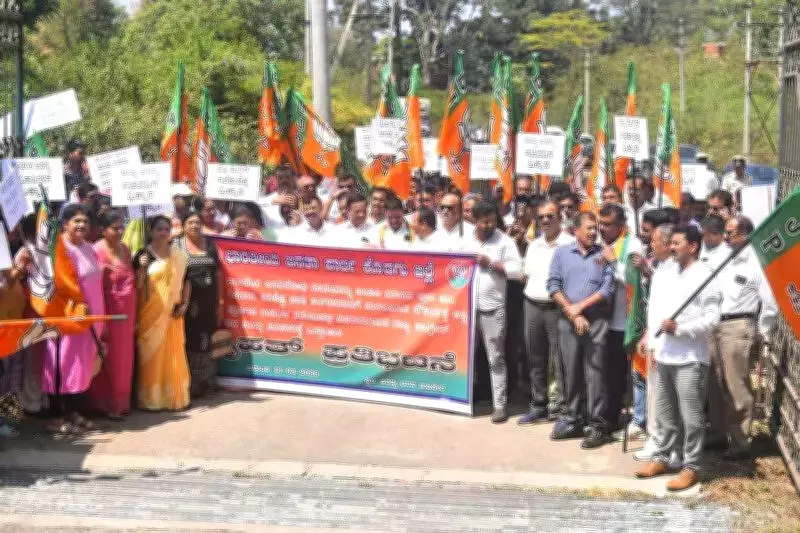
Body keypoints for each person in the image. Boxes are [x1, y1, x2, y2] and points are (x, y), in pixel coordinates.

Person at [635, 225, 721, 492]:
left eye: (676, 243)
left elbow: (712, 318)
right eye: (670, 243)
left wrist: (681, 329)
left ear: (693, 246)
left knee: (691, 416)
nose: (671, 247)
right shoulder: (667, 271)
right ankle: (662, 457)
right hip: (665, 354)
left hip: (690, 357)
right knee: (665, 413)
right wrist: (650, 337)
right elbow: (657, 307)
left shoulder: (705, 275)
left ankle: (691, 465)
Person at [706, 215, 778, 460]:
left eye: (731, 233)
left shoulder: (756, 263)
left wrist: (762, 331)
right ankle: (717, 434)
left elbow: (769, 303)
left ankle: (739, 442)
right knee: (715, 383)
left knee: (736, 384)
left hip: (739, 326)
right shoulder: (722, 258)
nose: (726, 237)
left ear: (746, 234)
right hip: (716, 323)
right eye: (726, 232)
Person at [547, 212, 616, 448]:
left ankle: (597, 424)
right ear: (575, 230)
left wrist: (580, 309)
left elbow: (607, 290)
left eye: (595, 228)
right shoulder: (562, 253)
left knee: (595, 374)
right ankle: (571, 418)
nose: (593, 232)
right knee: (569, 371)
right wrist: (572, 312)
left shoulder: (604, 254)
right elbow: (553, 285)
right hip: (568, 321)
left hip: (596, 321)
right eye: (588, 228)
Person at [43, 204, 106, 433]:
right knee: (60, 364)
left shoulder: (89, 248)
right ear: (65, 224)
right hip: (67, 319)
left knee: (81, 366)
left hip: (91, 318)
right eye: (76, 221)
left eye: (85, 222)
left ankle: (74, 412)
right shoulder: (58, 249)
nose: (81, 226)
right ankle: (55, 416)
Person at [466, 200, 522, 424]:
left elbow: (518, 271)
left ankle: (499, 405)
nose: (489, 225)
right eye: (484, 222)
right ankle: (465, 400)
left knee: (495, 358)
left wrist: (491, 264)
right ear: (475, 221)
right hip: (466, 308)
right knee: (467, 357)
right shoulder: (465, 239)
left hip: (493, 308)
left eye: (492, 221)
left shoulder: (505, 242)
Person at [518, 200, 574, 425]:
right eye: (541, 217)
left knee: (560, 360)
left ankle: (562, 409)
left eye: (550, 216)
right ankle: (538, 405)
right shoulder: (534, 245)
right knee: (535, 357)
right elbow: (527, 274)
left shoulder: (570, 244)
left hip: (556, 309)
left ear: (560, 216)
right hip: (532, 305)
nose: (545, 220)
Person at [133, 216, 191, 411]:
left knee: (172, 355)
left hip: (172, 313)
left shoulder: (179, 255)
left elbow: (186, 281)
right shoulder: (143, 254)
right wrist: (141, 268)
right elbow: (136, 287)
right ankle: (151, 399)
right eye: (159, 229)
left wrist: (184, 304)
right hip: (149, 314)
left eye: (166, 228)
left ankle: (173, 396)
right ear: (151, 231)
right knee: (151, 357)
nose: (164, 232)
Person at [598, 203, 644, 436]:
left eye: (608, 225)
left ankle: (636, 419)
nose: (602, 228)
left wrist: (614, 262)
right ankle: (608, 417)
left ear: (622, 225)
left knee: (627, 374)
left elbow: (633, 280)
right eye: (601, 223)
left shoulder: (632, 245)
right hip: (602, 321)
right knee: (609, 374)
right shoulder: (598, 242)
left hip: (625, 321)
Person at [85, 210, 136, 420]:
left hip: (127, 313)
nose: (119, 231)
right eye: (114, 228)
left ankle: (121, 402)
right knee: (106, 356)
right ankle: (103, 404)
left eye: (121, 226)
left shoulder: (126, 249)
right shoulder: (95, 250)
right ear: (103, 230)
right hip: (105, 312)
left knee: (124, 359)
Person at [175, 210, 223, 398]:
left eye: (197, 222)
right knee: (190, 340)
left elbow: (218, 273)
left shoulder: (210, 245)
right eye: (190, 222)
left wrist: (220, 301)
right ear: (183, 226)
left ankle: (208, 381)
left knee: (208, 339)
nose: (194, 226)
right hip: (188, 304)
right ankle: (192, 383)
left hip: (209, 302)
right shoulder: (177, 246)